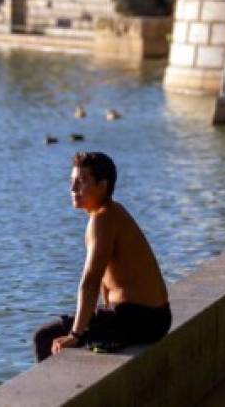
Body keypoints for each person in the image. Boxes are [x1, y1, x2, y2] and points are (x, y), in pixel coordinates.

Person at [33, 152, 171, 362]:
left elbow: (90, 280)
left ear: (102, 185)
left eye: (81, 182)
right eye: (71, 182)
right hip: (153, 317)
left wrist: (75, 334)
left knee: (44, 337)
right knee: (84, 325)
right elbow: (106, 281)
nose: (73, 189)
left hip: (140, 320)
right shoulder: (113, 212)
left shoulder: (103, 219)